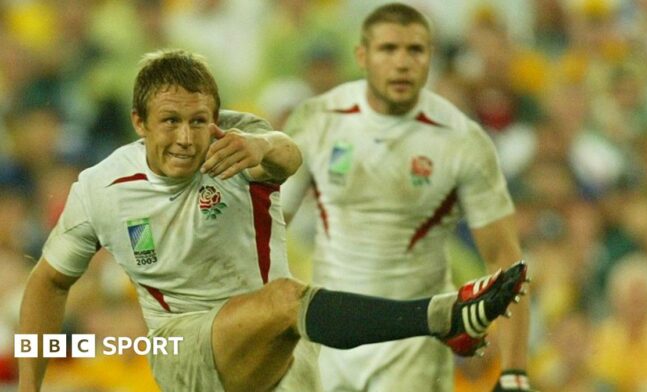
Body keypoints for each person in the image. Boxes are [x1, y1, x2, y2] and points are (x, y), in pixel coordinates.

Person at [17, 49, 527, 392]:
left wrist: (259, 145)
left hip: (282, 353)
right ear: (138, 123)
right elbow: (49, 282)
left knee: (289, 312)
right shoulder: (100, 188)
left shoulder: (238, 142)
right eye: (170, 121)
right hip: (185, 348)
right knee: (286, 299)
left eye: (200, 121)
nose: (186, 138)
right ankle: (444, 320)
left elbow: (286, 156)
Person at [281, 3, 532, 391]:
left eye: (414, 50)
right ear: (362, 56)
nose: (401, 63)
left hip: (413, 352)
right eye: (388, 49)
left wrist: (514, 370)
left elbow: (506, 260)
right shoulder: (317, 121)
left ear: (429, 57)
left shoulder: (462, 141)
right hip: (329, 346)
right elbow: (268, 225)